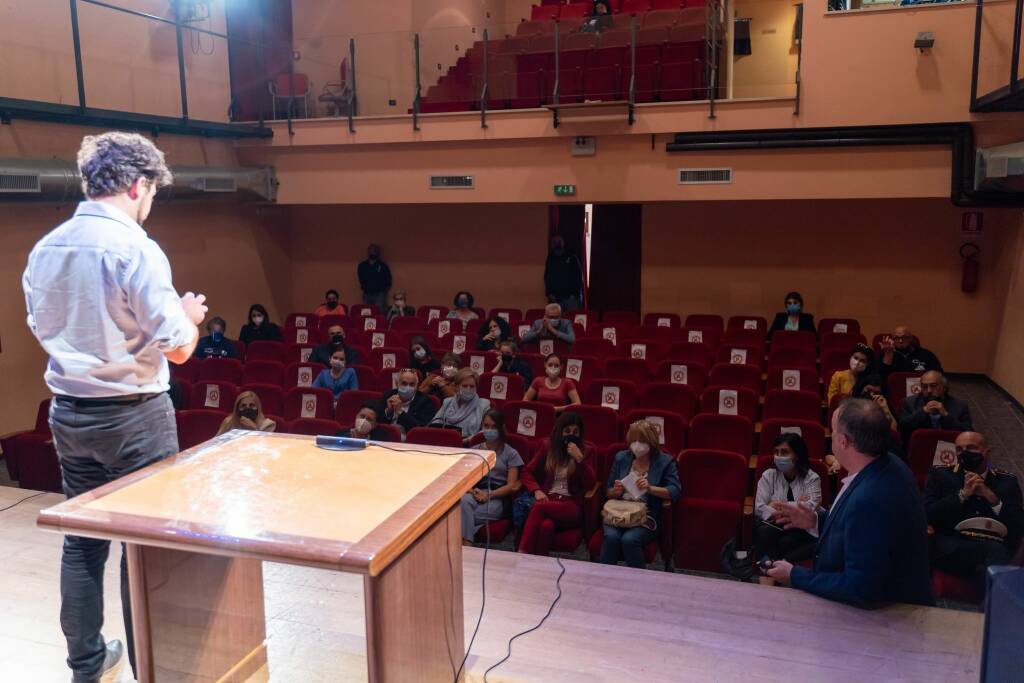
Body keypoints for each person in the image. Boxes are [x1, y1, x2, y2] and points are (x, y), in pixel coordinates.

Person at [23, 132, 207, 682]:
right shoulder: (135, 247)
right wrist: (189, 315)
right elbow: (177, 346)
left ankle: (85, 665)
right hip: (134, 418)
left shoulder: (45, 247)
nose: (150, 203)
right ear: (138, 184)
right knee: (142, 548)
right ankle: (150, 667)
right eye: (151, 192)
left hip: (69, 413)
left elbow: (43, 327)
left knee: (82, 544)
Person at [766, 398, 934, 606]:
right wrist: (815, 521)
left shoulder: (868, 499)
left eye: (833, 431)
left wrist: (794, 575)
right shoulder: (890, 464)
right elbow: (860, 532)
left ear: (843, 441)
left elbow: (861, 589)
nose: (831, 436)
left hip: (886, 624)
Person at [924, 431, 1023, 595]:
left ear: (986, 452)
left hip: (992, 544)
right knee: (994, 554)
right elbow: (928, 514)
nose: (965, 453)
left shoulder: (1007, 481)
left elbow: (1018, 525)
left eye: (971, 448)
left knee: (989, 562)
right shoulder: (940, 475)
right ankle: (994, 609)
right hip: (952, 545)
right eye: (959, 450)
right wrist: (962, 495)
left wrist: (992, 499)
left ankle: (985, 605)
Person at [599, 420, 681, 569]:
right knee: (611, 537)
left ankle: (639, 584)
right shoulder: (621, 458)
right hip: (618, 511)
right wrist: (615, 491)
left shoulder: (665, 461)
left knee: (629, 540)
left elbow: (674, 490)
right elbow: (608, 491)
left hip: (646, 514)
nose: (636, 445)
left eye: (641, 440)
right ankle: (604, 581)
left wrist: (650, 488)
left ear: (651, 441)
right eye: (633, 440)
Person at [519, 412, 596, 556]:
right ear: (559, 431)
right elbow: (526, 472)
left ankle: (521, 555)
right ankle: (541, 568)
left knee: (538, 509)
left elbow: (591, 484)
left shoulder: (587, 451)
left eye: (575, 432)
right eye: (567, 432)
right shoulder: (547, 446)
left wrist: (580, 460)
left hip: (571, 506)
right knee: (546, 527)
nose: (571, 435)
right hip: (549, 499)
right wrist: (536, 490)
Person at [753, 434, 822, 584]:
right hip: (777, 527)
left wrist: (775, 504)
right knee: (765, 533)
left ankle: (771, 573)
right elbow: (759, 509)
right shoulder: (768, 476)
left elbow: (809, 508)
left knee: (785, 542)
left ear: (797, 455)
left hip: (805, 531)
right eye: (776, 452)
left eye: (784, 452)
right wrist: (797, 503)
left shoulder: (812, 478)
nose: (778, 456)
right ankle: (768, 582)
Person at [460, 410, 524, 545]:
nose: (489, 430)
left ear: (501, 428)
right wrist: (473, 491)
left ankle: (466, 543)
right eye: (486, 426)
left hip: (497, 497)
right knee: (464, 501)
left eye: (493, 427)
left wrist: (488, 495)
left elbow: (512, 485)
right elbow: (464, 479)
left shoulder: (511, 453)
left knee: (461, 516)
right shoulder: (475, 450)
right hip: (475, 492)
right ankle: (468, 545)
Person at [897, 370, 972, 446]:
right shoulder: (909, 403)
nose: (929, 390)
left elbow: (968, 432)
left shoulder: (960, 406)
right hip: (920, 446)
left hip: (948, 447)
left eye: (933, 386)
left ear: (944, 387)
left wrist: (946, 415)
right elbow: (902, 428)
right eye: (924, 387)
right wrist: (923, 412)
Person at [430, 368, 491, 440]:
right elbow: (435, 423)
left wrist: (466, 440)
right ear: (457, 387)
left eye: (472, 386)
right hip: (443, 441)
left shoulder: (484, 405)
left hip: (469, 445)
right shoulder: (447, 402)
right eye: (464, 386)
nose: (468, 390)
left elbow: (486, 431)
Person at [381, 368, 436, 434]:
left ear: (416, 386)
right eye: (404, 383)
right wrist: (389, 412)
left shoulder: (425, 401)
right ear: (397, 384)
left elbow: (421, 429)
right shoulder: (388, 395)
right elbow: (377, 424)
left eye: (412, 384)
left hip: (410, 440)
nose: (408, 387)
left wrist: (400, 412)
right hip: (388, 437)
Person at [879, 325, 943, 375]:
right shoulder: (886, 355)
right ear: (893, 339)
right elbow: (881, 377)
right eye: (897, 338)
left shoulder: (926, 354)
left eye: (904, 337)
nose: (900, 341)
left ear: (911, 338)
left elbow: (938, 374)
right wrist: (888, 354)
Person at [544, 235, 584, 311]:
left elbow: (578, 277)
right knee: (555, 321)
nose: (557, 244)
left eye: (559, 242)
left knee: (572, 319)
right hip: (555, 298)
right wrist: (549, 293)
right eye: (555, 242)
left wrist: (575, 294)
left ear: (563, 243)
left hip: (571, 298)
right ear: (552, 245)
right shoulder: (550, 259)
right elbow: (547, 277)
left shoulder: (572, 257)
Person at [357, 243, 392, 308]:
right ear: (368, 252)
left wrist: (383, 290)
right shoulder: (362, 266)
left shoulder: (383, 266)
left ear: (378, 252)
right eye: (371, 250)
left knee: (379, 311)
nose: (372, 253)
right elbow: (360, 278)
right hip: (367, 293)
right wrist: (365, 286)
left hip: (379, 294)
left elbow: (388, 280)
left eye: (374, 251)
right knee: (366, 312)